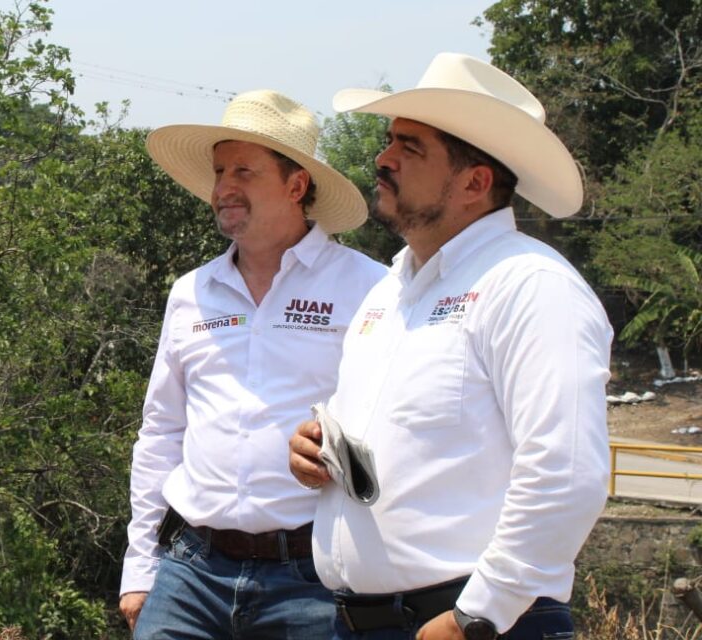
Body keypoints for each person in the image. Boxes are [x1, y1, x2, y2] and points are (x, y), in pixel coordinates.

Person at [289, 53, 613, 640]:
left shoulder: (531, 285)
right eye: (390, 142)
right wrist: (317, 451)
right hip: (363, 622)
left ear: (474, 182)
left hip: (476, 622)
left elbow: (567, 474)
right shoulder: (389, 292)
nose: (382, 159)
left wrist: (477, 616)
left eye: (409, 148)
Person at [120, 90, 387, 639]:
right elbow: (161, 433)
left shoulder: (370, 289)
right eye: (220, 171)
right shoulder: (191, 292)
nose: (223, 188)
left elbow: (396, 426)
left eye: (244, 169)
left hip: (315, 576)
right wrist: (140, 566)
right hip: (190, 571)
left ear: (296, 185)